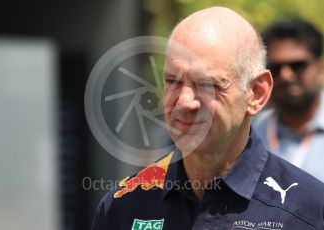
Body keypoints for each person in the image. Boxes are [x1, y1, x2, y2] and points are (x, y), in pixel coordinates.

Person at [92, 7, 324, 230]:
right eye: (173, 81)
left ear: (257, 93)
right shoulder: (123, 207)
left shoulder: (309, 212)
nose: (184, 102)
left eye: (207, 85)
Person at [253, 19, 324, 182]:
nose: (286, 76)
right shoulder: (250, 133)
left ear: (320, 68)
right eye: (276, 68)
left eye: (297, 66)